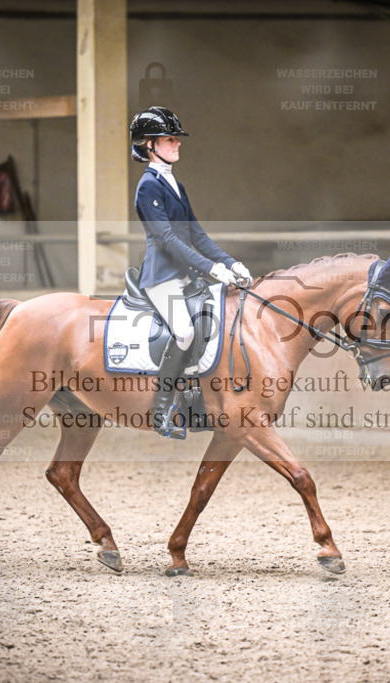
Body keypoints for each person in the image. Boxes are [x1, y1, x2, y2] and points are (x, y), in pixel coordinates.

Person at [130, 106, 252, 438]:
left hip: (187, 277)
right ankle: (161, 410)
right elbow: (166, 238)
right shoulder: (147, 187)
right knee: (183, 332)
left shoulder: (176, 186)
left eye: (176, 139)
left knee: (215, 323)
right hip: (162, 278)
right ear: (150, 145)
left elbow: (197, 235)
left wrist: (230, 263)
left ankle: (197, 405)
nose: (177, 144)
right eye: (171, 139)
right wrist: (211, 267)